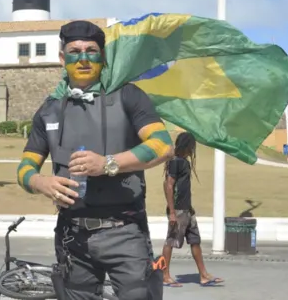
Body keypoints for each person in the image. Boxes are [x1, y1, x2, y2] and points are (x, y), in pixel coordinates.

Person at [16, 20, 174, 300]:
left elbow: (162, 145)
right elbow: (24, 168)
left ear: (102, 57)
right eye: (75, 51)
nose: (84, 58)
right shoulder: (50, 109)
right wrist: (40, 182)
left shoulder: (127, 95)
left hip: (125, 231)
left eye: (92, 51)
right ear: (63, 58)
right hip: (72, 235)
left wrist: (108, 164)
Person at [160, 132, 223, 287]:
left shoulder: (184, 162)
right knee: (170, 241)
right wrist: (173, 212)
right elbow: (168, 185)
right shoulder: (175, 162)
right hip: (179, 211)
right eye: (191, 146)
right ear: (186, 146)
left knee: (195, 241)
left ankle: (204, 275)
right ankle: (164, 276)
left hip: (187, 210)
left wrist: (189, 207)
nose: (192, 150)